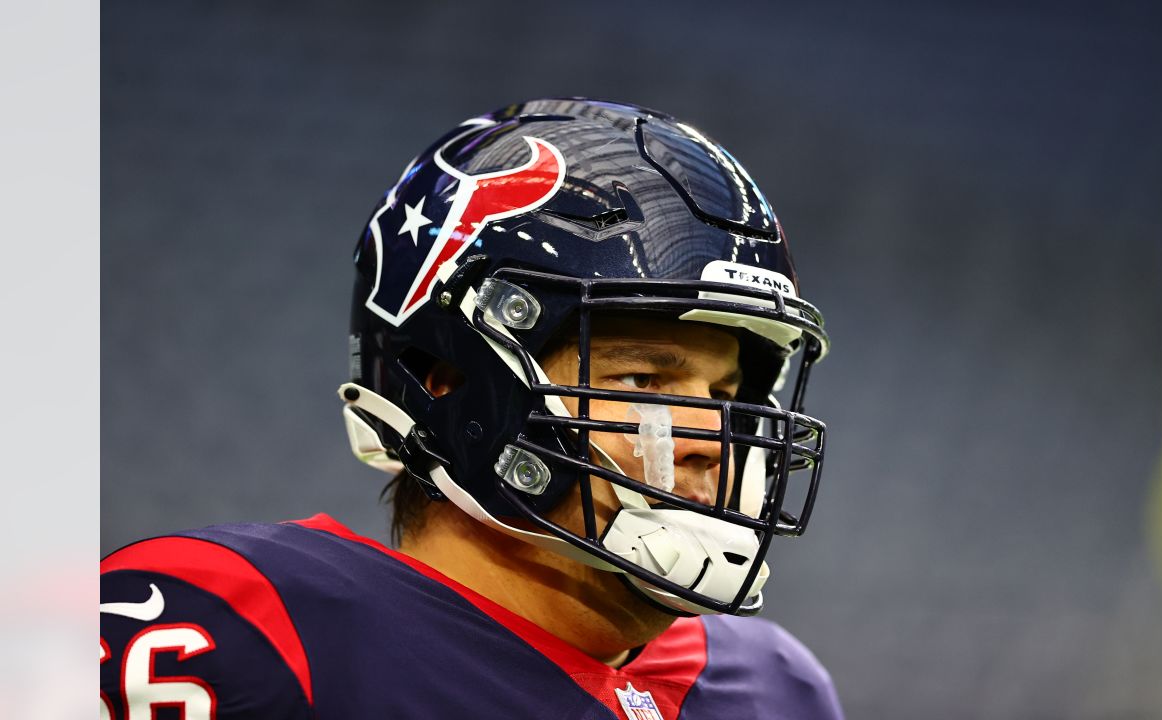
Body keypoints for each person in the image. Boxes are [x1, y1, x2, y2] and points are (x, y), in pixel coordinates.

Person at [100, 98, 843, 719]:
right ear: (450, 377)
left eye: (725, 395)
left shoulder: (776, 690)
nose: (711, 439)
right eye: (644, 382)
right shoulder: (241, 632)